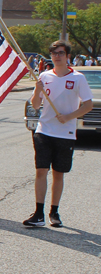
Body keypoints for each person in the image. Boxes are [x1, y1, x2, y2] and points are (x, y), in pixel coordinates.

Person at [23, 40, 93, 228]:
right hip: (44, 130)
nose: (57, 56)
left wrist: (69, 116)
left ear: (67, 56)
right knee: (40, 171)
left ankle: (54, 211)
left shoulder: (78, 78)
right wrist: (37, 90)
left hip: (66, 132)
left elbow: (88, 104)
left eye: (61, 53)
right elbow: (36, 105)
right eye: (54, 53)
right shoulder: (44, 76)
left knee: (58, 174)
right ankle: (38, 213)